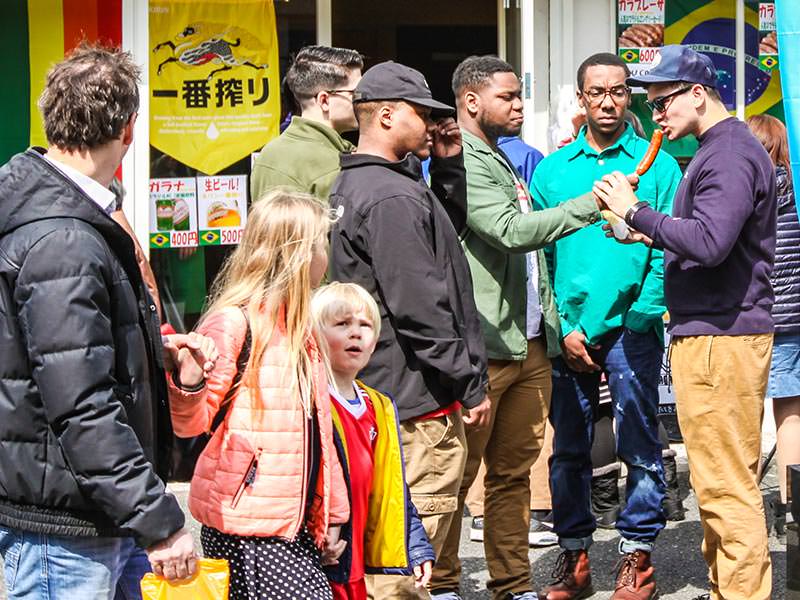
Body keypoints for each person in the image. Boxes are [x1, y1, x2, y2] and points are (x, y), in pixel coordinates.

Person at [0, 44, 207, 598]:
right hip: (68, 528)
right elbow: (80, 400)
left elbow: (56, 358)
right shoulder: (64, 235)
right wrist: (158, 520)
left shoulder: (67, 216)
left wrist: (146, 350)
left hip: (88, 512)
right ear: (130, 130)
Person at [595, 44, 777, 600]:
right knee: (720, 480)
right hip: (716, 332)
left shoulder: (727, 153)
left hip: (723, 337)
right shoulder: (715, 149)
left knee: (725, 488)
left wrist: (635, 211)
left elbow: (711, 242)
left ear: (698, 94)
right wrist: (646, 231)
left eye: (662, 102)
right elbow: (708, 235)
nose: (656, 116)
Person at [431, 55, 601, 600]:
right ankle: (442, 583)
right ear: (472, 101)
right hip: (486, 347)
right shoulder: (465, 159)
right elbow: (505, 231)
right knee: (456, 479)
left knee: (512, 478)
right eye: (507, 96)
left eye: (518, 94)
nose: (520, 105)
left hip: (527, 344)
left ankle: (513, 583)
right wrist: (589, 204)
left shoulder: (498, 156)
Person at [328, 61, 490, 599]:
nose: (432, 126)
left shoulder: (365, 183)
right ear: (388, 115)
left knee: (392, 553)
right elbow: (419, 303)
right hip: (415, 404)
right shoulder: (390, 195)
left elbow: (438, 243)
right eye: (422, 114)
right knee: (404, 566)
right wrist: (467, 382)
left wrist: (446, 170)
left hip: (387, 394)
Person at [531, 52, 681, 600]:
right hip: (571, 327)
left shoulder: (658, 165)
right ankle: (574, 556)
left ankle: (637, 556)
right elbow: (541, 258)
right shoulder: (553, 170)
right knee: (569, 447)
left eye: (619, 91)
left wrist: (642, 316)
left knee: (638, 443)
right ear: (581, 98)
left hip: (633, 328)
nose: (609, 102)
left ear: (630, 97)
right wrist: (562, 326)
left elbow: (668, 249)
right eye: (597, 92)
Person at [167, 190, 351, 600]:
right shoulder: (234, 322)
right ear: (299, 254)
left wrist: (333, 514)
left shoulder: (302, 331)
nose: (327, 255)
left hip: (294, 523)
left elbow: (321, 433)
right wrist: (189, 379)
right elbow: (191, 424)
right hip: (246, 526)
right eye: (321, 244)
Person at [311, 282, 436, 600]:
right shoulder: (311, 401)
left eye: (365, 325)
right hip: (326, 559)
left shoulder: (378, 406)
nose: (356, 333)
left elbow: (395, 490)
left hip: (360, 567)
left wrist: (415, 546)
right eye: (342, 324)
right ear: (313, 335)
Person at [747, 113, 798, 538]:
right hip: (796, 316)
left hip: (763, 314)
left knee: (758, 410)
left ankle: (776, 501)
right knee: (791, 410)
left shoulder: (752, 194)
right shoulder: (795, 192)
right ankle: (790, 500)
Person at [251, 45, 363, 202]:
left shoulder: (268, 154)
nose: (362, 100)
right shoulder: (332, 165)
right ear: (324, 100)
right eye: (356, 93)